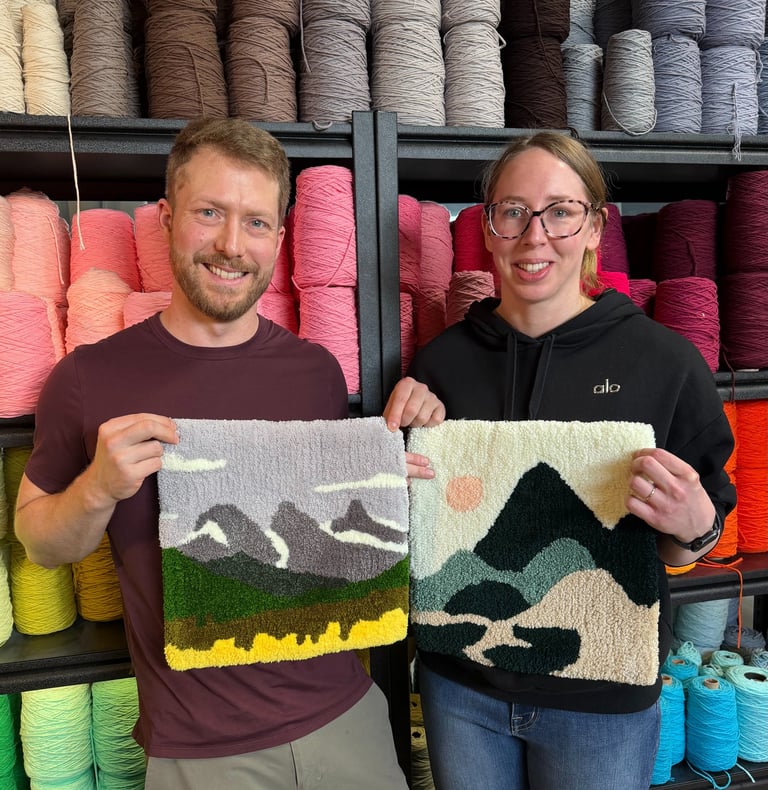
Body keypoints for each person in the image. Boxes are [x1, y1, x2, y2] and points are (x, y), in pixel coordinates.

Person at [14, 117, 441, 790]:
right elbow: (40, 544)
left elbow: (328, 536)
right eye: (209, 212)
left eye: (255, 222)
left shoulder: (317, 372)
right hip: (200, 750)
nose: (231, 245)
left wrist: (389, 480)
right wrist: (97, 487)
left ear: (279, 238)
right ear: (167, 219)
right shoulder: (88, 378)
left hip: (347, 718)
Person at [383, 131, 736, 790]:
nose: (534, 235)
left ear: (595, 226)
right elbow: (412, 524)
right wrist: (390, 455)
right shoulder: (441, 364)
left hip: (601, 702)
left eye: (560, 212)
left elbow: (690, 540)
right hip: (460, 687)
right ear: (488, 229)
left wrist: (694, 527)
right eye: (513, 212)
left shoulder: (664, 363)